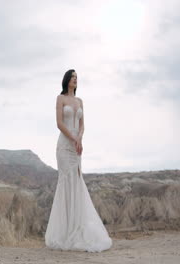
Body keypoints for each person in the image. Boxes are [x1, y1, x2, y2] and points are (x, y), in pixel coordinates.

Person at [44, 69, 113, 252]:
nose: (75, 80)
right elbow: (59, 123)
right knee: (66, 182)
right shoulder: (61, 99)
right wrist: (73, 138)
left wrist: (79, 138)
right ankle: (64, 233)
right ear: (67, 80)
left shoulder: (80, 101)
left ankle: (78, 228)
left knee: (77, 180)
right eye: (72, 77)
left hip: (77, 147)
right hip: (65, 146)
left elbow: (82, 125)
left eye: (76, 78)